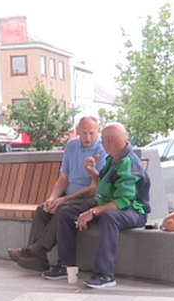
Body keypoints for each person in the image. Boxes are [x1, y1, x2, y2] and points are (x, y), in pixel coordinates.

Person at [43, 123, 151, 289]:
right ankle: (66, 265)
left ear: (109, 140)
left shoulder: (128, 163)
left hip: (133, 211)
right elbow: (103, 182)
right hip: (110, 205)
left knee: (109, 217)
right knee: (66, 213)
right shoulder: (113, 158)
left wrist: (92, 212)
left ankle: (105, 274)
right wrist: (91, 170)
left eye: (102, 140)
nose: (100, 143)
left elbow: (123, 202)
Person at [9, 116, 105, 271]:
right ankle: (38, 258)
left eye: (92, 133)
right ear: (77, 131)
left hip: (92, 199)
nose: (88, 138)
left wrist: (64, 199)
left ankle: (34, 250)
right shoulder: (71, 146)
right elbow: (63, 178)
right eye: (84, 133)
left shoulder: (102, 150)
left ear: (98, 131)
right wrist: (53, 198)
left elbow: (94, 188)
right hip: (70, 197)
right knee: (43, 209)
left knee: (63, 210)